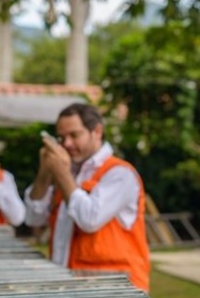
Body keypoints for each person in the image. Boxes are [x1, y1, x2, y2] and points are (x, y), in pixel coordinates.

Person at [23, 103, 150, 292]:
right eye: (62, 137)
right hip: (73, 286)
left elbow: (90, 219)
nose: (66, 144)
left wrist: (62, 175)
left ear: (97, 131)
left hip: (118, 289)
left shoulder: (120, 173)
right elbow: (33, 218)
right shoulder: (68, 170)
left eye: (74, 135)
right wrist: (45, 171)